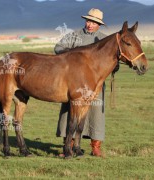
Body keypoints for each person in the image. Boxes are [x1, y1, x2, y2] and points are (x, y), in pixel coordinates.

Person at [55, 8, 112, 157]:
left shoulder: (104, 40)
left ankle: (96, 147)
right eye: (88, 21)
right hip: (74, 83)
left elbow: (112, 59)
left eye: (94, 22)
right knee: (69, 113)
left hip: (96, 83)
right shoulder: (74, 36)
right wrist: (74, 55)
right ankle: (70, 144)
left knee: (96, 113)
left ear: (99, 24)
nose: (90, 24)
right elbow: (58, 48)